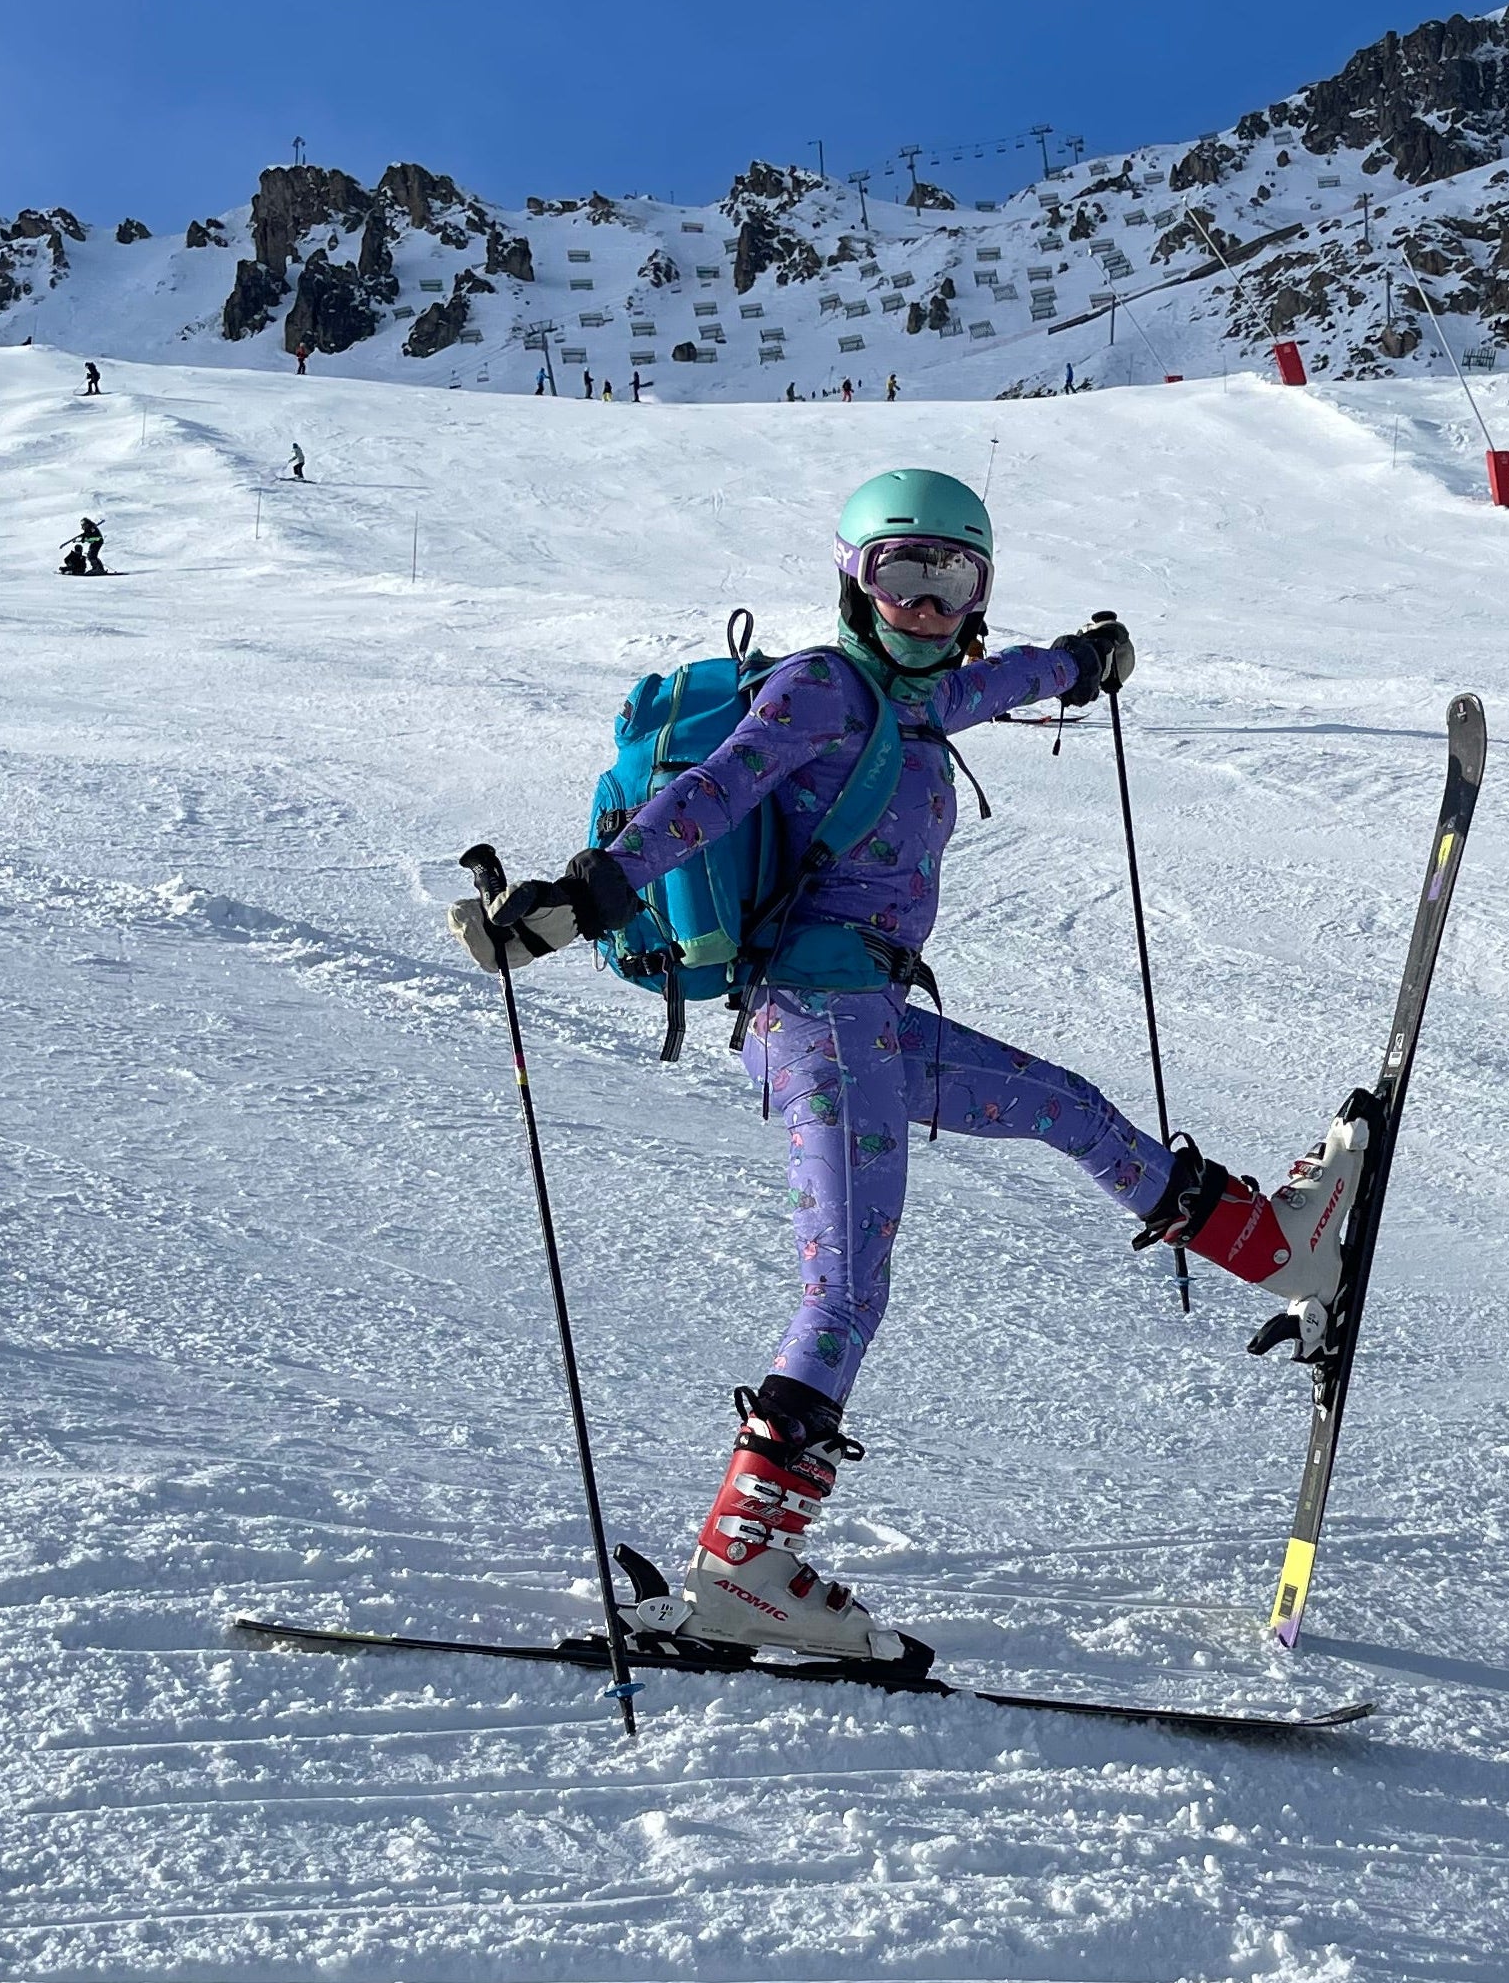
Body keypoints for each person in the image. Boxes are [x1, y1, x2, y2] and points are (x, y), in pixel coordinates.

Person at [449, 469, 1365, 1665]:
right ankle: (742, 1567)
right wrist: (581, 896)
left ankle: (1273, 1244)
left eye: (953, 579)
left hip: (869, 1019)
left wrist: (1089, 664)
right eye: (902, 575)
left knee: (1067, 1109)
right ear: (853, 581)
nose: (927, 604)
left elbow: (1011, 680)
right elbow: (708, 796)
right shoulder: (822, 690)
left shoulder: (918, 701)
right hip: (818, 1022)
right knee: (844, 1290)